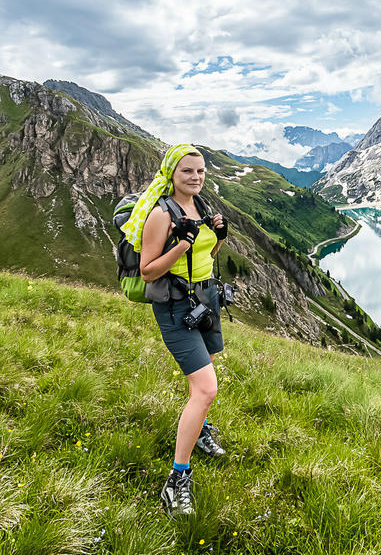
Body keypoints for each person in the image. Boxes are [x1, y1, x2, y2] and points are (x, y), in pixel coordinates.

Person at [122, 143, 230, 517]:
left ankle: (197, 429)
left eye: (200, 171)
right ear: (172, 174)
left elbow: (205, 257)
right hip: (176, 306)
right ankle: (176, 480)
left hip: (205, 299)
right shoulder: (160, 215)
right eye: (187, 171)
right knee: (206, 388)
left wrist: (217, 239)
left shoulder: (201, 208)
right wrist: (182, 242)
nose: (196, 178)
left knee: (206, 375)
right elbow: (149, 269)